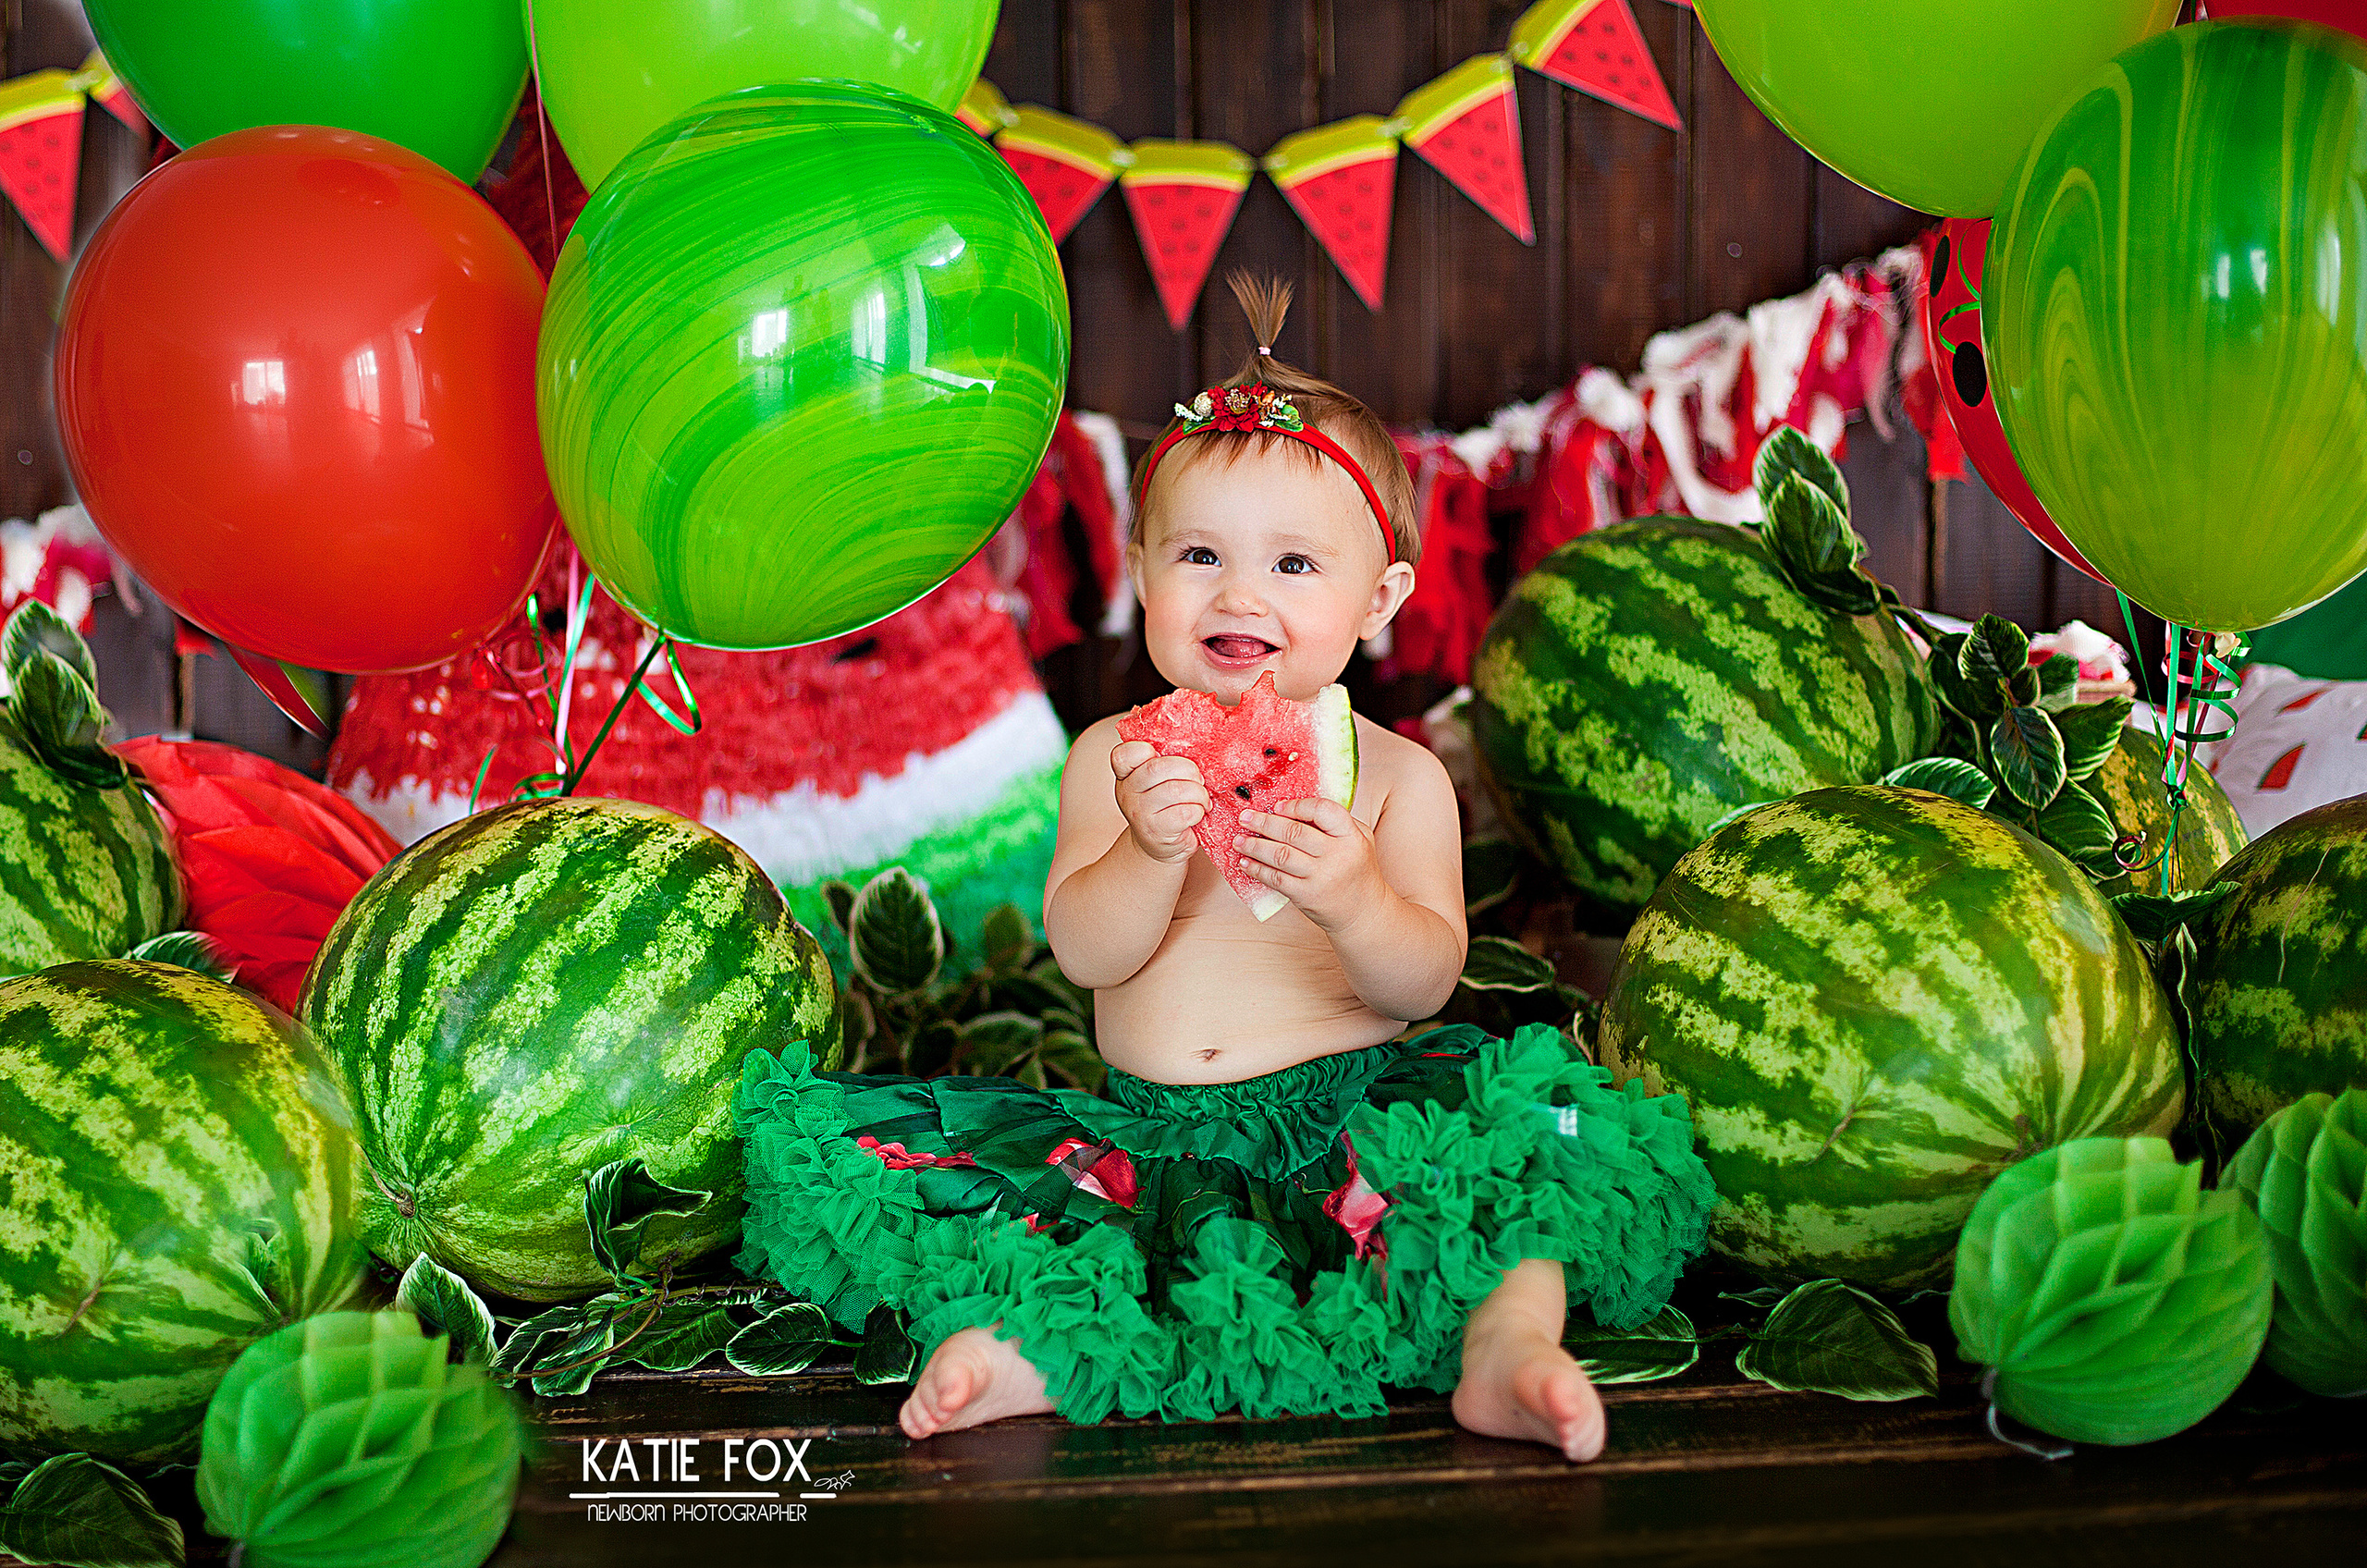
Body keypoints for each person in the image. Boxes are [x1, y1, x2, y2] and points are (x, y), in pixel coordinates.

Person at [732, 275, 1715, 1462]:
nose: (1238, 593)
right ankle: (1026, 1355)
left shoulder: (1400, 780)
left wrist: (1355, 897)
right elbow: (1085, 951)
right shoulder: (1110, 756)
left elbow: (1422, 985)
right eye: (1198, 554)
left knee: (1540, 1152)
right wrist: (1149, 850)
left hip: (1354, 1123)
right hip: (1149, 1140)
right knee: (1059, 1232)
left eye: (1295, 566)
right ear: (1143, 573)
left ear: (1381, 597)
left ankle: (1507, 1344)